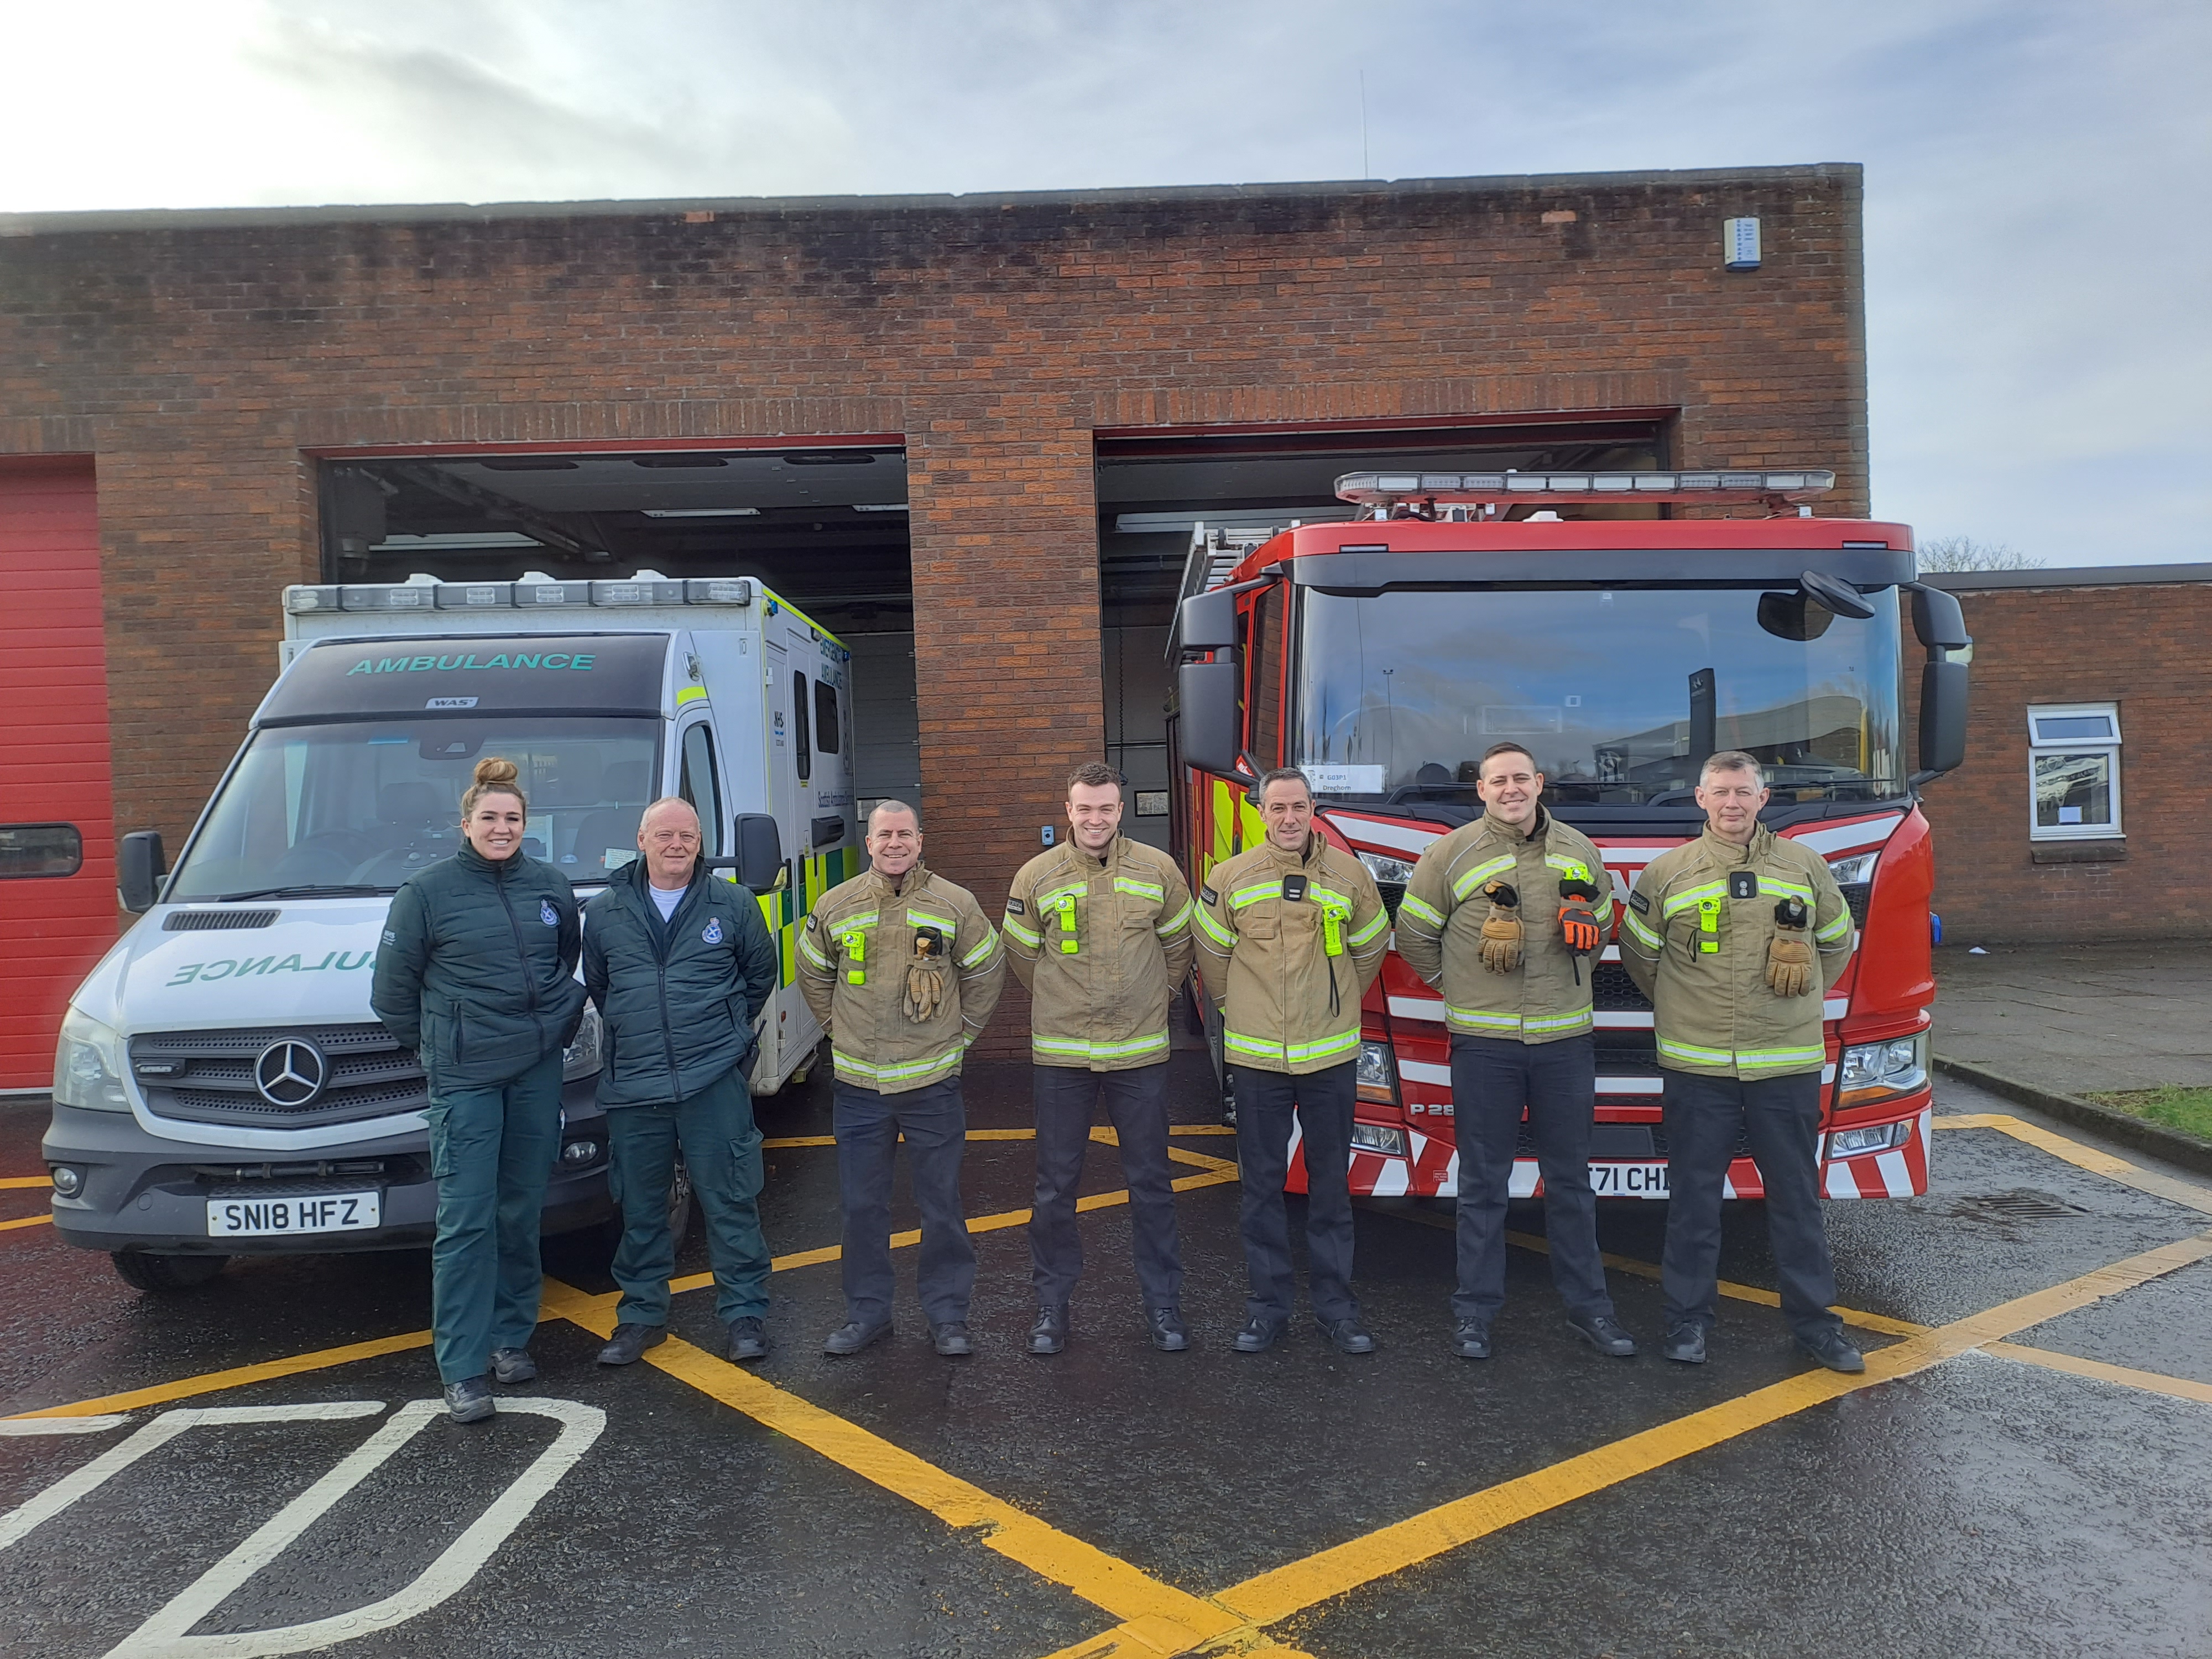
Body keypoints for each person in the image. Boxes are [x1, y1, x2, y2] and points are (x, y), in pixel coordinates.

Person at [1618, 750, 1863, 1373]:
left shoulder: (1804, 866)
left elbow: (1837, 943)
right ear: (1700, 799)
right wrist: (1686, 1007)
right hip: (1697, 1066)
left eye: (1743, 792)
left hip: (1785, 1060)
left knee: (1795, 1200)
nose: (1732, 803)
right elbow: (1642, 960)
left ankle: (1816, 1325)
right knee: (1694, 1201)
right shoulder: (1666, 872)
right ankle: (1686, 1324)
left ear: (1763, 797)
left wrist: (1800, 993)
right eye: (1720, 792)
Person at [1395, 742, 1637, 1361]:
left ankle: (1591, 1312)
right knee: (1482, 1185)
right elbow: (1414, 936)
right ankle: (1474, 1315)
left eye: (1520, 779)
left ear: (1539, 783)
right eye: (1497, 780)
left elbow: (1605, 924)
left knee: (1571, 1184)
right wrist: (1461, 986)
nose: (1510, 789)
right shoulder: (1449, 855)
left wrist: (1587, 925)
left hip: (1564, 1043)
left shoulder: (1579, 849)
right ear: (1480, 789)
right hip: (1485, 1046)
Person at [371, 757, 585, 1423]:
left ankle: (510, 1340)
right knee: (465, 1221)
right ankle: (462, 1367)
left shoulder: (550, 887)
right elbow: (392, 997)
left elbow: (564, 958)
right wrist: (446, 1043)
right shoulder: (427, 892)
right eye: (490, 818)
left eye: (513, 818)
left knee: (521, 1209)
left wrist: (546, 1026)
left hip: (534, 1069)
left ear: (527, 824)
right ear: (465, 824)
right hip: (465, 1077)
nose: (502, 828)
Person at [796, 800, 1005, 1357]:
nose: (895, 843)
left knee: (941, 1206)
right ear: (869, 843)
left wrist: (959, 1037)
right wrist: (837, 1030)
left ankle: (948, 1317)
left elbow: (987, 968)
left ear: (920, 841)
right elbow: (812, 972)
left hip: (932, 1086)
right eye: (884, 834)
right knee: (861, 1208)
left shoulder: (953, 903)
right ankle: (868, 1316)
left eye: (904, 834)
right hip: (861, 1089)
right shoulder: (835, 904)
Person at [1001, 763, 1198, 1355]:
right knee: (1054, 1189)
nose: (1095, 819)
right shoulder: (1036, 876)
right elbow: (1021, 953)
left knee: (1152, 1185)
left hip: (1139, 1052)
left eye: (1106, 809)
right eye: (1085, 809)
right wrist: (1063, 1000)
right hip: (1062, 1057)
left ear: (1121, 810)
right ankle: (1051, 1310)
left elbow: (1180, 944)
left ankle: (1163, 1307)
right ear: (1068, 810)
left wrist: (1155, 996)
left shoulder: (1158, 869)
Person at [1194, 766, 1389, 1355]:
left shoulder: (1351, 876)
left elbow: (1372, 944)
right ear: (1260, 811)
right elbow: (1210, 954)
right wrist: (1238, 1007)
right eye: (1276, 807)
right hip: (1256, 1060)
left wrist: (1336, 1005)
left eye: (1297, 807)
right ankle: (1266, 1310)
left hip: (1329, 1056)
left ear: (1312, 809)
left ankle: (1337, 1310)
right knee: (1260, 1189)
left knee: (1331, 1187)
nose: (1287, 818)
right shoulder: (1230, 878)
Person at [582, 797, 781, 1368]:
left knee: (731, 1200)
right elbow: (602, 987)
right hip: (635, 1087)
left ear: (701, 842)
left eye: (688, 836)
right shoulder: (604, 912)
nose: (677, 845)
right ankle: (640, 1318)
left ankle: (745, 1314)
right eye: (665, 834)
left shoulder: (734, 903)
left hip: (711, 1079)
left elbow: (758, 975)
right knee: (642, 1209)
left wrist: (723, 1035)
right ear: (641, 840)